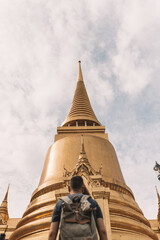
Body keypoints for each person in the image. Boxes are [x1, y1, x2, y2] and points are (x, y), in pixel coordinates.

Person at [48, 176, 108, 240]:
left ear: (69, 188)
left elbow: (52, 233)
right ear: (82, 189)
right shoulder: (92, 203)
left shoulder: (60, 204)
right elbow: (102, 231)